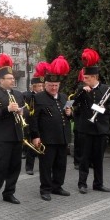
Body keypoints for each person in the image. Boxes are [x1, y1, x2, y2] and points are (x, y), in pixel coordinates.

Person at [0, 54, 28, 206]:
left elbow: (26, 110)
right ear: (1, 80)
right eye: (9, 78)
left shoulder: (18, 94)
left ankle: (9, 193)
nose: (12, 80)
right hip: (2, 137)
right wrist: (7, 109)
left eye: (13, 77)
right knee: (0, 167)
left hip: (17, 135)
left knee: (15, 167)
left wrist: (22, 112)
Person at [29, 56, 72, 201]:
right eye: (51, 85)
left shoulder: (64, 97)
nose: (54, 88)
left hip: (62, 137)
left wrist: (70, 113)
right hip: (47, 139)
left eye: (56, 85)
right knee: (46, 166)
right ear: (45, 84)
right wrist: (35, 136)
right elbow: (33, 119)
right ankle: (45, 189)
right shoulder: (38, 98)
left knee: (61, 164)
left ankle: (57, 186)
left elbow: (68, 115)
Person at [73, 48, 110, 194]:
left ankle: (98, 183)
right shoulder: (81, 88)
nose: (85, 80)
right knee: (84, 158)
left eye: (87, 78)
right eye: (84, 78)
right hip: (86, 129)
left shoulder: (106, 89)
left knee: (98, 159)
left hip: (101, 129)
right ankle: (82, 184)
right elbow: (74, 103)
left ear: (95, 77)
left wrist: (100, 109)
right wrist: (82, 91)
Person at [23, 67, 46, 174]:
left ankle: (44, 166)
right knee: (32, 146)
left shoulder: (45, 96)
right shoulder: (28, 95)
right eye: (39, 86)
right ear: (33, 86)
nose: (41, 88)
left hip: (43, 123)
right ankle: (29, 167)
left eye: (42, 85)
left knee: (43, 144)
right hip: (31, 123)